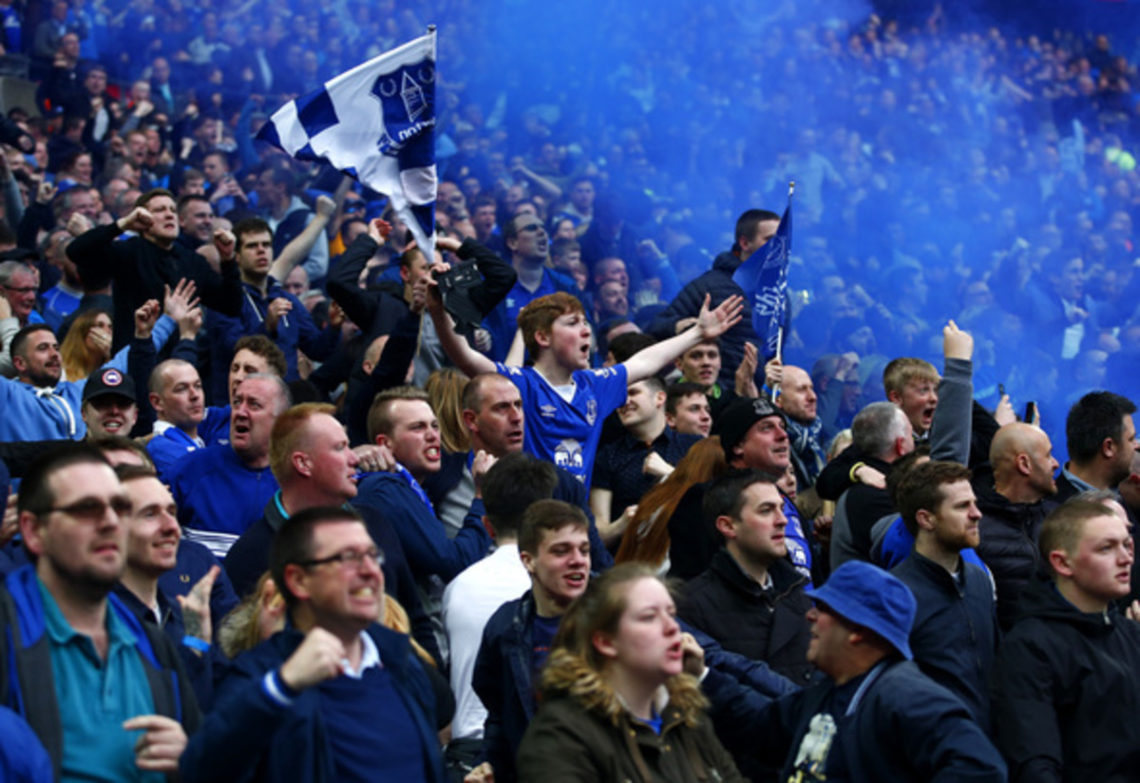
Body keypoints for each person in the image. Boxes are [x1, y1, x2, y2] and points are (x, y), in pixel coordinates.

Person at [180, 506, 446, 783]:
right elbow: (202, 770)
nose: (370, 571)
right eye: (348, 558)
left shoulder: (400, 660)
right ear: (299, 581)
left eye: (372, 555)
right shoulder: (263, 677)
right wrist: (283, 687)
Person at [0, 445, 199, 779]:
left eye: (120, 507)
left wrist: (190, 757)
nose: (110, 522)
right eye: (87, 508)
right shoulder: (8, 632)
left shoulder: (152, 643)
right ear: (34, 532)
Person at [432, 288, 742, 489]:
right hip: (527, 520)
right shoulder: (522, 384)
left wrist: (698, 333)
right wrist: (437, 310)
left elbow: (644, 363)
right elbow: (467, 357)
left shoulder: (592, 386)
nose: (586, 331)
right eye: (572, 323)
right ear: (542, 338)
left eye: (586, 324)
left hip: (578, 521)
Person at [733, 560, 1007, 781]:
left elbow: (982, 769)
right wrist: (703, 676)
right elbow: (758, 725)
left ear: (858, 630)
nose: (810, 615)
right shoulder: (831, 690)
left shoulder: (906, 696)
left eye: (825, 609)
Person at [515, 563, 747, 783]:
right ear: (606, 641)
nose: (672, 628)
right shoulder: (562, 736)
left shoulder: (686, 715)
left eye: (671, 613)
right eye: (649, 617)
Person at [991, 498, 1140, 781]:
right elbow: (1034, 762)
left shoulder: (1131, 634)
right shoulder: (1031, 647)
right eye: (1106, 548)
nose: (1125, 558)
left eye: (1127, 545)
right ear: (1062, 562)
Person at [441, 454, 558, 778]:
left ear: (487, 525)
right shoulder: (562, 588)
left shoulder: (458, 588)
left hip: (467, 753)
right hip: (532, 750)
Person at [473, 499, 592, 783]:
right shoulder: (505, 627)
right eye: (561, 551)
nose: (578, 560)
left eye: (584, 550)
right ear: (528, 561)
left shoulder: (624, 613)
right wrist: (488, 763)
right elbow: (500, 717)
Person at [891, 460, 999, 730]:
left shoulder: (978, 581)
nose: (977, 514)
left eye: (974, 503)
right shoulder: (895, 594)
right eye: (962, 506)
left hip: (986, 747)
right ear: (926, 519)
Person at [677, 470, 813, 683]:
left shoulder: (799, 594)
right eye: (766, 510)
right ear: (728, 526)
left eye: (782, 509)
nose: (782, 521)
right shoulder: (692, 605)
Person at [66, 188, 243, 351]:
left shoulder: (193, 261)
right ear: (141, 218)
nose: (169, 215)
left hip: (181, 360)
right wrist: (123, 224)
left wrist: (228, 260)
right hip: (137, 359)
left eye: (173, 210)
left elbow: (231, 305)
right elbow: (76, 251)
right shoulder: (129, 251)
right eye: (160, 210)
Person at [648, 209, 777, 386]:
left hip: (756, 399)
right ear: (745, 243)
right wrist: (683, 326)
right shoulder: (711, 285)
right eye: (769, 240)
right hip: (717, 398)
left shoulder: (779, 295)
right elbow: (655, 328)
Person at [168, 374, 290, 556]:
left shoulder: (296, 482)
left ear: (281, 421)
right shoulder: (191, 469)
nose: (240, 412)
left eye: (253, 405)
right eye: (237, 402)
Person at [591, 375, 700, 546]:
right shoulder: (607, 456)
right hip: (631, 561)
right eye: (620, 396)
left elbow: (712, 504)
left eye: (633, 393)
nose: (624, 401)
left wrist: (671, 474)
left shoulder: (694, 446)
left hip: (688, 558)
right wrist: (621, 525)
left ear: (660, 398)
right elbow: (598, 536)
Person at [976, 422, 1059, 629]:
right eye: (1048, 455)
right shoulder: (973, 528)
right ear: (1024, 464)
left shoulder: (1062, 519)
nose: (1056, 463)